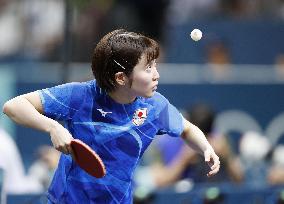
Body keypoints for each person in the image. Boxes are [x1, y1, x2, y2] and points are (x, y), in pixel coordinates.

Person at [3, 29, 220, 203]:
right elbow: (13, 106)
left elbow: (187, 129)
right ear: (121, 78)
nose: (156, 75)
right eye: (148, 68)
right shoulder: (80, 96)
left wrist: (206, 148)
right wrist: (53, 127)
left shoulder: (155, 107)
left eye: (155, 66)